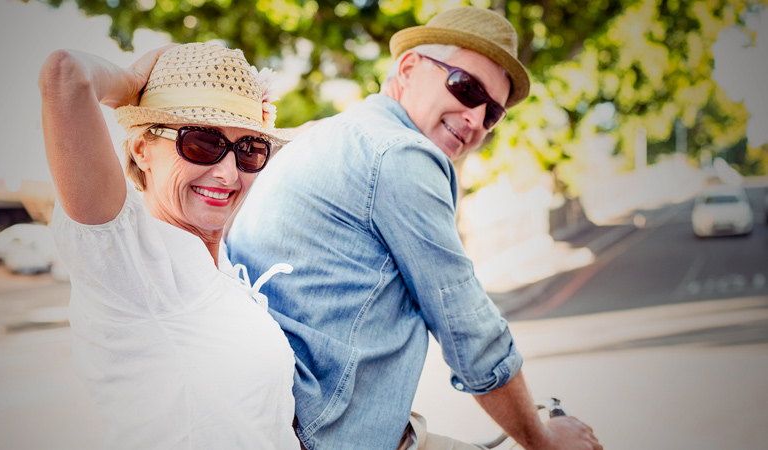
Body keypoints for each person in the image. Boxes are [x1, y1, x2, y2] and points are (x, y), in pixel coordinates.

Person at [226, 7, 602, 450]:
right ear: (408, 68)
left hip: (280, 420)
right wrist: (544, 440)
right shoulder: (401, 154)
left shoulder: (325, 135)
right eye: (467, 88)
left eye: (493, 113)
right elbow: (470, 333)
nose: (476, 120)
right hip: (327, 434)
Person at [39, 42, 300, 449]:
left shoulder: (219, 266)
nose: (228, 173)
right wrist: (134, 83)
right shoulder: (132, 260)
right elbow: (66, 75)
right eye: (201, 143)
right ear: (142, 149)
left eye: (249, 149)